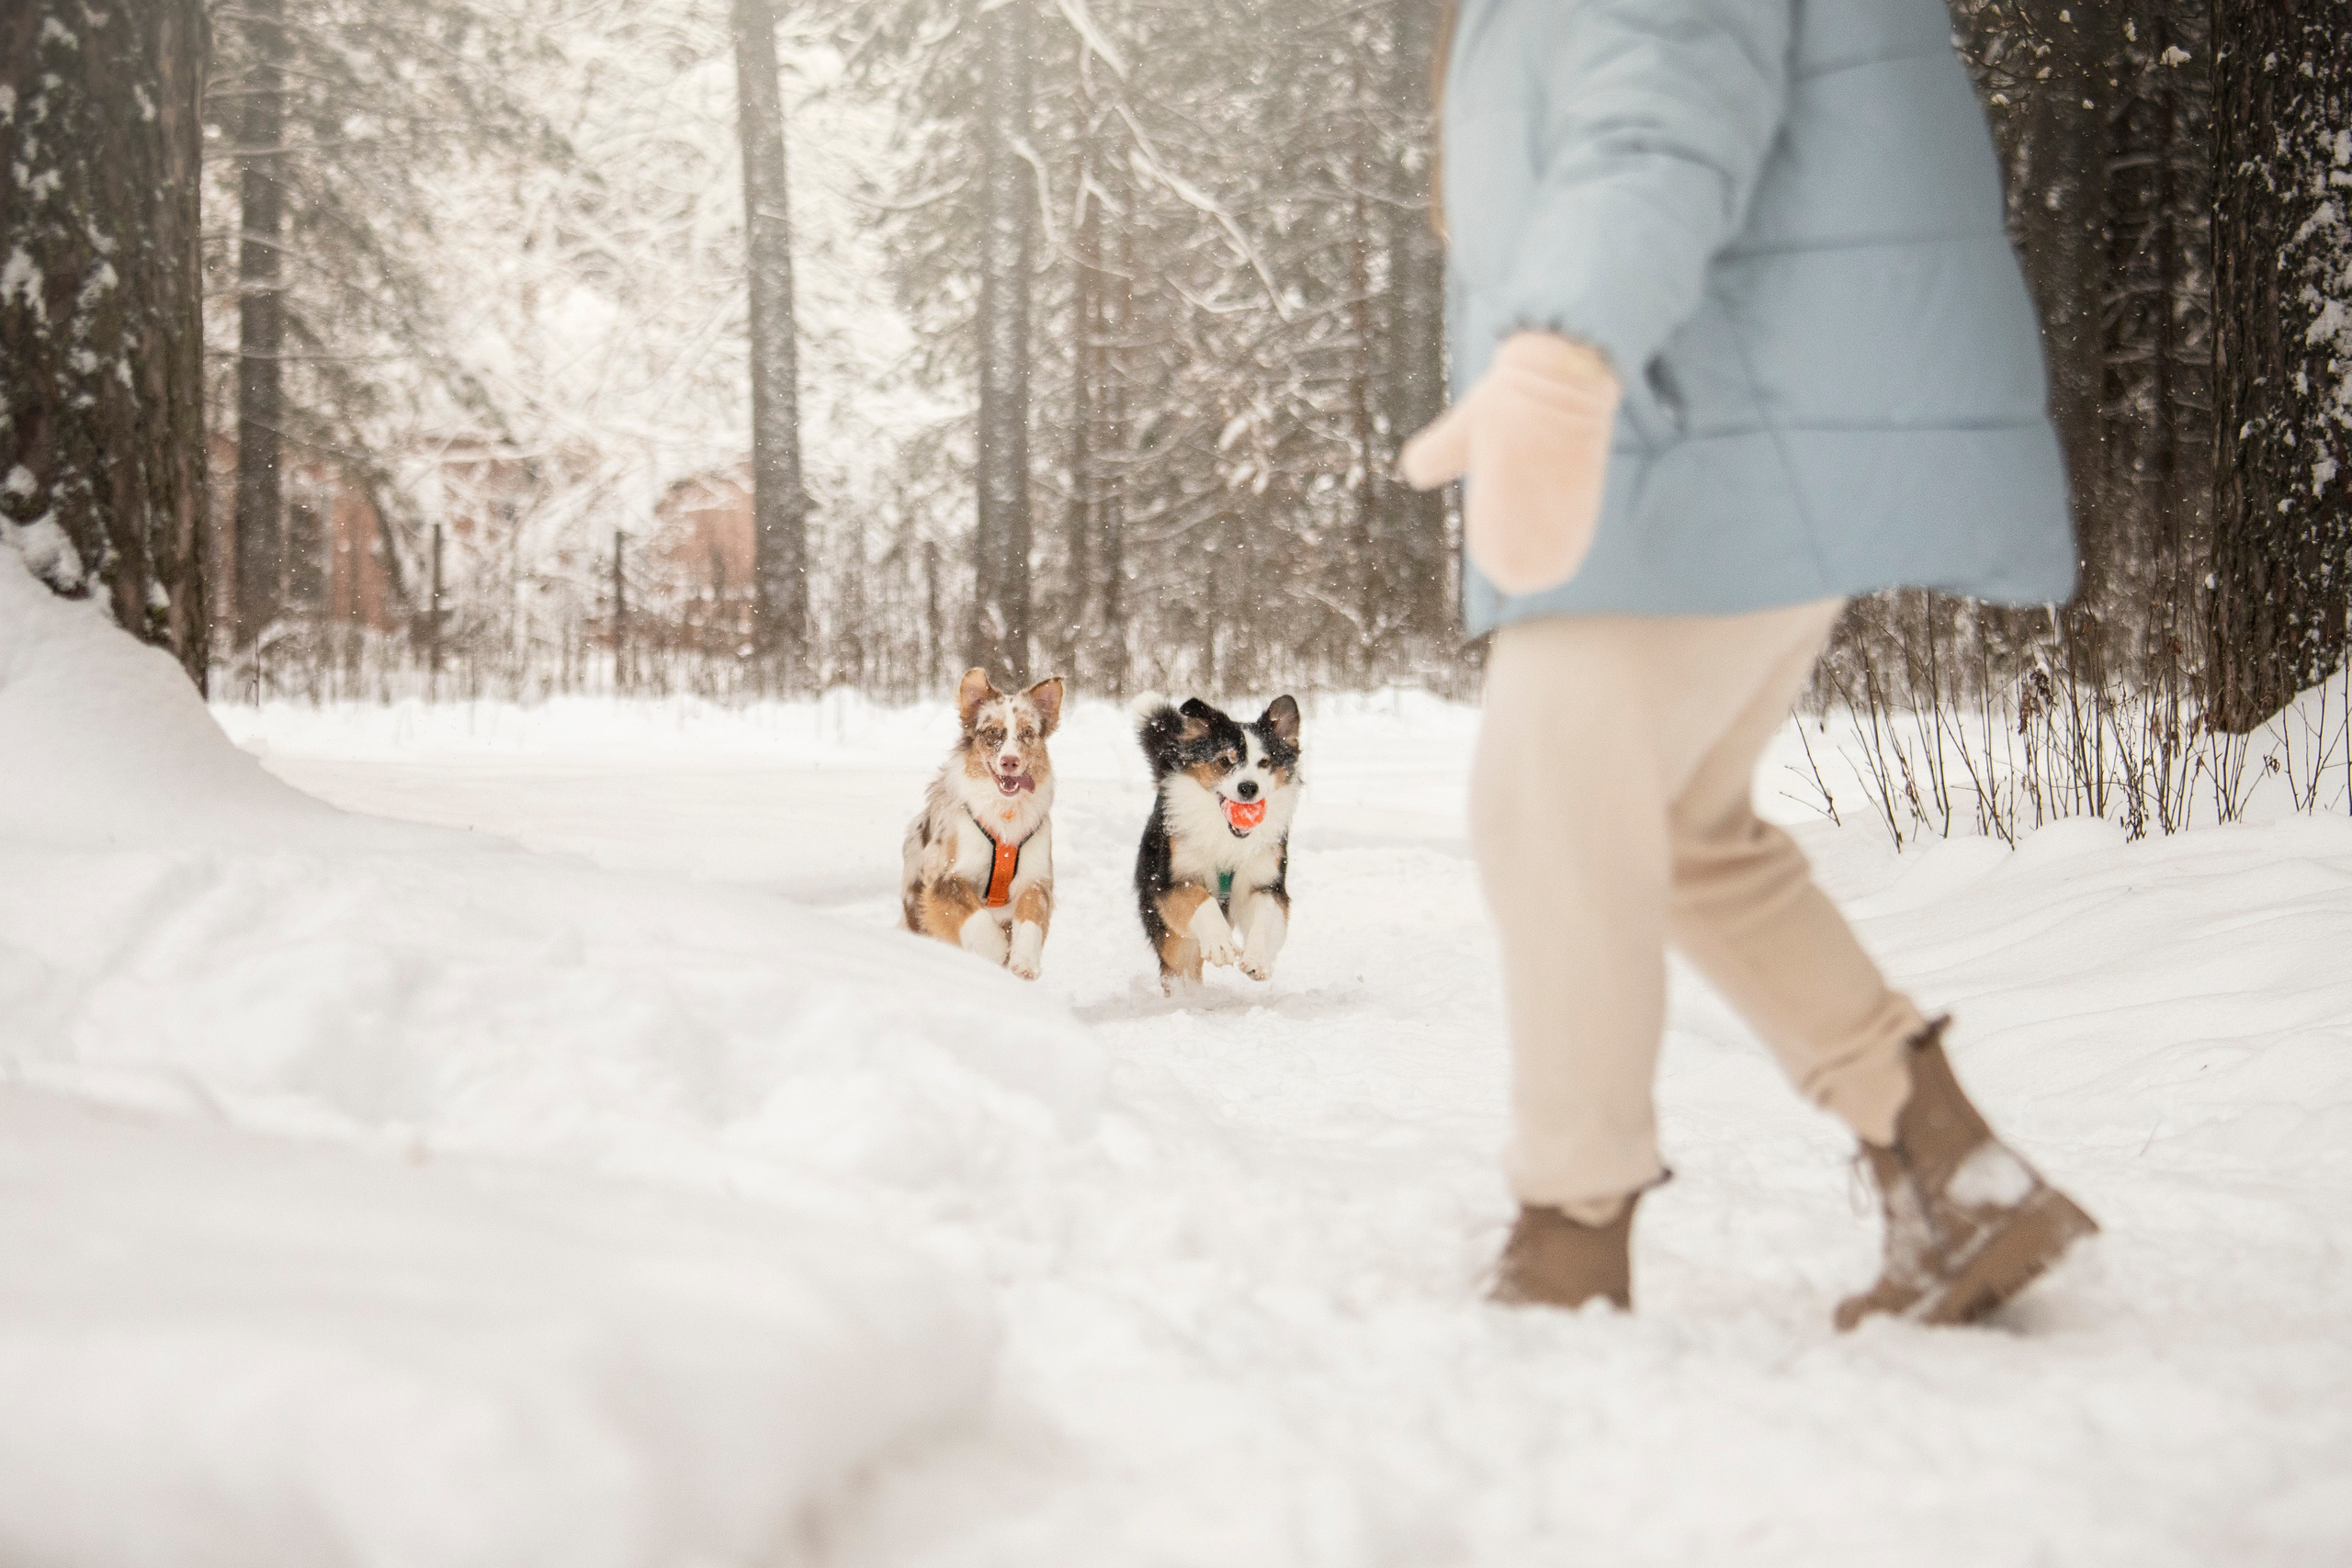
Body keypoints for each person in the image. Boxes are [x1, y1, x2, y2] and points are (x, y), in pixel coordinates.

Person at [1399, 0, 2098, 1325]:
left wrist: (1559, 359)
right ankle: (1950, 1169)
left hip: (1687, 429)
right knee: (1682, 832)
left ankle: (1568, 1237)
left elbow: (1656, 122)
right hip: (1716, 421)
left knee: (1550, 815)